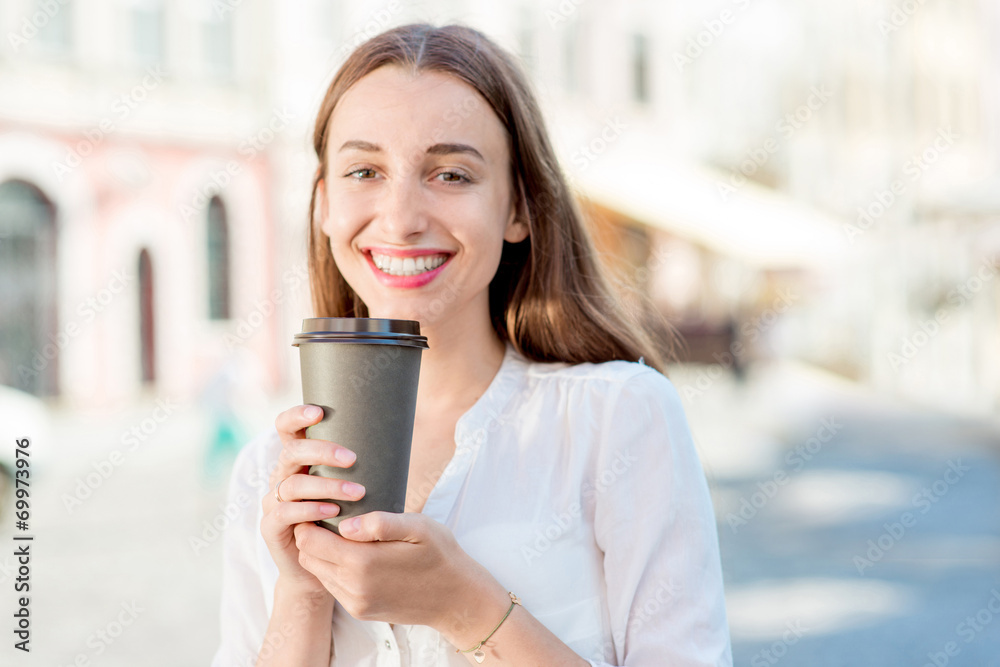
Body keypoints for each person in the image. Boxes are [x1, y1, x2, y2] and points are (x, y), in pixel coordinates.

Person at [212, 23, 732, 667]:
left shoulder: (618, 420)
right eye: (365, 170)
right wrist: (301, 590)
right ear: (323, 204)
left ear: (518, 207)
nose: (401, 218)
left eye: (452, 174)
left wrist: (463, 607)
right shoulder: (269, 473)